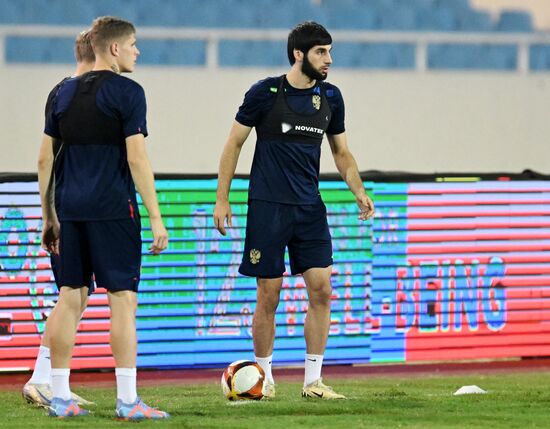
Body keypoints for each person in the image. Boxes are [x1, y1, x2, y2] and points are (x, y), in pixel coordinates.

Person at [213, 21, 375, 400]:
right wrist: (223, 198)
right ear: (298, 54)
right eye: (321, 52)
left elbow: (341, 153)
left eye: (330, 51)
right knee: (269, 295)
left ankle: (312, 382)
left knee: (322, 290)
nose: (329, 59)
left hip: (309, 208)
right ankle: (263, 380)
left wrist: (359, 191)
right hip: (268, 207)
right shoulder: (264, 93)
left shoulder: (331, 97)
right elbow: (233, 144)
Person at [37, 16, 169, 419]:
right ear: (113, 48)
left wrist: (49, 216)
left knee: (69, 297)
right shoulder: (128, 92)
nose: (136, 51)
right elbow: (136, 157)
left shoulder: (61, 92)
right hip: (113, 209)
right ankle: (128, 401)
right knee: (123, 301)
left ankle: (58, 397)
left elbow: (46, 158)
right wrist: (156, 217)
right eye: (132, 44)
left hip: (70, 209)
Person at [24, 29, 96, 410]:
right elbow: (45, 158)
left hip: (70, 209)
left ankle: (48, 379)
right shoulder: (73, 94)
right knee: (71, 295)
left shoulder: (62, 92)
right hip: (72, 210)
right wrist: (48, 214)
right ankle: (42, 379)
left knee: (78, 294)